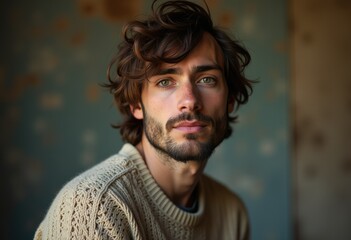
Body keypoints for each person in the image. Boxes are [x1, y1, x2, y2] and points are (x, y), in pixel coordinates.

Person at [34, 0, 254, 239]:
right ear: (136, 105)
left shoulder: (232, 212)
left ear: (229, 100)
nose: (189, 100)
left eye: (207, 79)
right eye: (165, 81)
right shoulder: (95, 206)